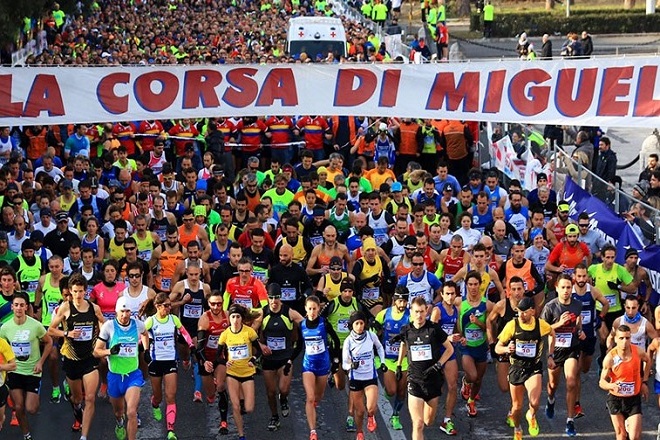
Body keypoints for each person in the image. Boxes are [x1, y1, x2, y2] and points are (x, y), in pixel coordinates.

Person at [47, 274, 105, 439]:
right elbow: (51, 330)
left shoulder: (94, 308)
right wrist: (67, 333)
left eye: (81, 291)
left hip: (89, 358)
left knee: (90, 398)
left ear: (85, 291)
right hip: (72, 359)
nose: (78, 295)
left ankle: (84, 436)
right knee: (77, 398)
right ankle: (76, 407)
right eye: (75, 291)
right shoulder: (65, 308)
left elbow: (103, 323)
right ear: (70, 292)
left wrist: (102, 338)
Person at [495, 296, 555, 440]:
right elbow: (497, 347)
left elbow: (552, 333)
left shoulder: (540, 325)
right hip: (516, 368)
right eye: (519, 312)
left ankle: (531, 415)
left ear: (532, 311)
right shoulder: (512, 325)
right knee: (517, 407)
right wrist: (506, 349)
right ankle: (517, 428)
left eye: (525, 312)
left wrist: (550, 355)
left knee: (534, 402)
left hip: (533, 368)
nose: (521, 315)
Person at [396, 295, 454, 440]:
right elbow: (403, 345)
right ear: (411, 311)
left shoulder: (434, 329)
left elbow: (450, 349)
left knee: (428, 421)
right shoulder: (406, 330)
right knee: (418, 423)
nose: (419, 315)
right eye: (416, 311)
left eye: (422, 311)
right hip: (415, 381)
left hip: (433, 381)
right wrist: (399, 365)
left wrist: (438, 364)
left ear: (427, 311)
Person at [94, 296, 149, 440]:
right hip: (115, 376)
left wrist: (146, 349)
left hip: (133, 375)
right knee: (119, 412)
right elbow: (96, 351)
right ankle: (119, 423)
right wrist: (109, 351)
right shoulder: (109, 326)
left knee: (131, 412)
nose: (125, 315)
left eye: (128, 311)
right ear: (116, 312)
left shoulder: (137, 324)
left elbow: (145, 333)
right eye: (122, 312)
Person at [0, 292, 53, 440]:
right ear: (12, 307)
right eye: (16, 305)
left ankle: (31, 395)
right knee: (18, 407)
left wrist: (41, 362)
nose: (18, 308)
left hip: (32, 371)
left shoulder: (35, 326)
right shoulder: (5, 328)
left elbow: (49, 342)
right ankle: (26, 435)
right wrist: (5, 367)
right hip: (15, 370)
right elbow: (2, 349)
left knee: (31, 409)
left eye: (21, 305)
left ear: (26, 307)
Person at [143, 292, 195, 440]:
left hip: (170, 360)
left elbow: (184, 332)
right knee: (159, 397)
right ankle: (154, 404)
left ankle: (171, 430)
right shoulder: (151, 321)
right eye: (165, 306)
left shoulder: (173, 319)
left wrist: (191, 345)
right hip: (155, 362)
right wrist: (144, 349)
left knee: (170, 396)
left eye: (169, 305)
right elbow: (142, 334)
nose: (169, 308)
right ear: (157, 306)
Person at [541, 274, 586, 437]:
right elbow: (541, 329)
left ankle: (570, 420)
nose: (566, 290)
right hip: (555, 350)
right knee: (553, 384)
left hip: (571, 348)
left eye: (568, 287)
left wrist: (580, 332)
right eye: (563, 287)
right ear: (557, 288)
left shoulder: (577, 305)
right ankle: (550, 400)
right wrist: (559, 324)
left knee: (571, 382)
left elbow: (578, 323)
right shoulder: (550, 307)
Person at [257, 283, 304, 431]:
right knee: (271, 392)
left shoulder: (289, 312)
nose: (274, 301)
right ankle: (274, 417)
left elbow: (305, 324)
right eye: (271, 297)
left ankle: (283, 399)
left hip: (285, 357)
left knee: (283, 389)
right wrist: (261, 346)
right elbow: (250, 334)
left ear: (281, 298)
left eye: (276, 297)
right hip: (269, 359)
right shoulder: (262, 313)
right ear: (267, 297)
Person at [217, 304, 262, 440]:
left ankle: (243, 400)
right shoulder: (225, 334)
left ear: (242, 318)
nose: (235, 320)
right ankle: (241, 435)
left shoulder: (249, 332)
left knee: (249, 408)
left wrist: (253, 359)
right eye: (233, 317)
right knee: (235, 406)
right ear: (229, 319)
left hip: (247, 373)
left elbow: (259, 351)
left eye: (238, 317)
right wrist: (225, 362)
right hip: (232, 373)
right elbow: (218, 355)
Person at [599, 325, 651, 440]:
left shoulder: (638, 352)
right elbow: (602, 382)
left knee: (635, 437)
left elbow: (648, 360)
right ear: (616, 339)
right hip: (616, 400)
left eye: (627, 338)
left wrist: (644, 381)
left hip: (633, 399)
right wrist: (611, 385)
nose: (624, 341)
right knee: (621, 435)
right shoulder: (610, 358)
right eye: (621, 338)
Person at [301, 295, 341, 440]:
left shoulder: (324, 323)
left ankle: (313, 408)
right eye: (309, 309)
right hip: (308, 365)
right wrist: (289, 360)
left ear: (319, 309)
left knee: (318, 396)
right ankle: (313, 432)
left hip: (323, 365)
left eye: (314, 309)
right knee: (310, 398)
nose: (312, 312)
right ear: (305, 309)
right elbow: (299, 346)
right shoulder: (302, 325)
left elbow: (336, 341)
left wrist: (335, 360)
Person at [342, 310, 387, 440]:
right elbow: (344, 364)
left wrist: (382, 362)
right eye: (356, 323)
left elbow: (379, 347)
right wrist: (351, 366)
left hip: (370, 377)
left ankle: (371, 417)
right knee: (360, 411)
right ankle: (360, 432)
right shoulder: (348, 341)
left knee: (371, 408)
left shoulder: (371, 336)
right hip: (356, 378)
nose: (360, 326)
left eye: (362, 323)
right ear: (352, 325)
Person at [458, 270, 494, 417]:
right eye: (470, 284)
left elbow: (489, 328)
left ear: (480, 285)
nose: (473, 287)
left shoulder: (487, 305)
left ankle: (471, 401)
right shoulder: (460, 303)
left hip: (481, 346)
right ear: (466, 285)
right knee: (472, 376)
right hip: (467, 347)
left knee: (478, 379)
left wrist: (478, 322)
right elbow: (456, 323)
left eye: (475, 284)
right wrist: (459, 337)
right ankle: (466, 382)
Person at [374, 285, 410, 431]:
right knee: (391, 390)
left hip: (404, 360)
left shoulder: (410, 316)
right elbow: (373, 334)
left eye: (405, 301)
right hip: (388, 359)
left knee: (401, 391)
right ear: (394, 300)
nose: (402, 304)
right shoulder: (384, 314)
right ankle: (384, 397)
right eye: (400, 301)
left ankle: (395, 416)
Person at [195, 290, 230, 434]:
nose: (216, 307)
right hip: (205, 357)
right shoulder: (204, 319)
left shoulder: (227, 316)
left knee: (221, 386)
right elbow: (198, 348)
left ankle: (224, 422)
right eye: (213, 304)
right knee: (210, 395)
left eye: (219, 304)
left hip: (220, 356)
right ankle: (212, 386)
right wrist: (204, 361)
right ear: (208, 304)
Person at [429, 281, 461, 435]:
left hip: (449, 351)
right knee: (434, 388)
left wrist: (460, 338)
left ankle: (447, 420)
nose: (450, 296)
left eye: (452, 293)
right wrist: (447, 337)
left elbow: (456, 330)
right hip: (436, 352)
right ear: (441, 294)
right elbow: (430, 334)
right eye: (447, 294)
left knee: (453, 386)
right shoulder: (437, 310)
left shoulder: (455, 310)